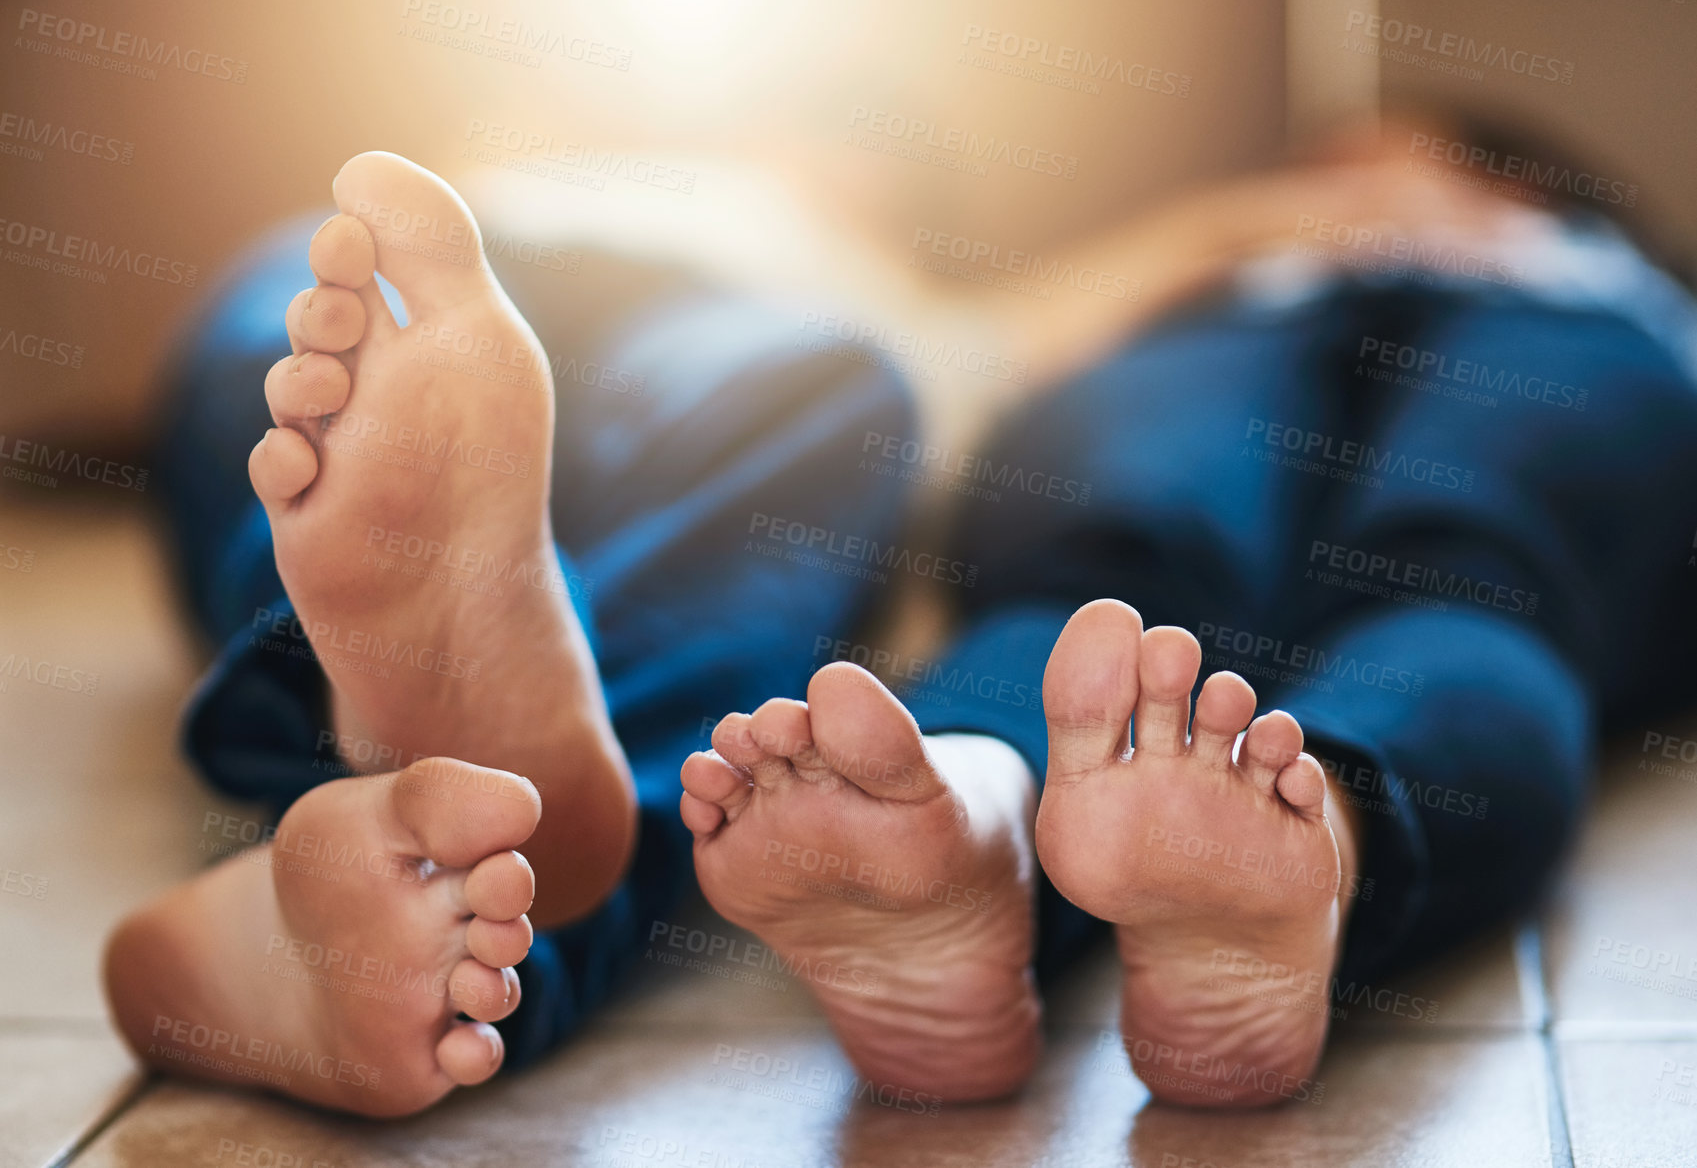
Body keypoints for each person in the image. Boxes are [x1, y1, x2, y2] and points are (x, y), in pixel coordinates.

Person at [103, 135, 1697, 1115]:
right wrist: (1230, 240)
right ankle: (973, 835)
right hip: (1162, 345)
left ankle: (1312, 855)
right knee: (1090, 577)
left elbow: (966, 344)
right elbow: (1000, 351)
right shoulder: (1190, 277)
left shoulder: (1591, 277)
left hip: (1552, 342)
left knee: (1467, 568)